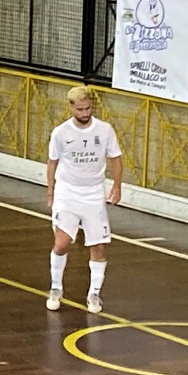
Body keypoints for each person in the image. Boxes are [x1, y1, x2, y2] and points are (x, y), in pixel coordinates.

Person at [45, 86, 123, 314]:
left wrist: (117, 186)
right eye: (80, 109)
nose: (85, 113)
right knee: (61, 243)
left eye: (88, 108)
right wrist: (51, 192)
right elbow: (52, 163)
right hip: (67, 193)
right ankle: (56, 287)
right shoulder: (60, 133)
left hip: (93, 194)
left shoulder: (104, 130)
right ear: (71, 108)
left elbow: (116, 158)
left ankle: (94, 294)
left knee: (98, 245)